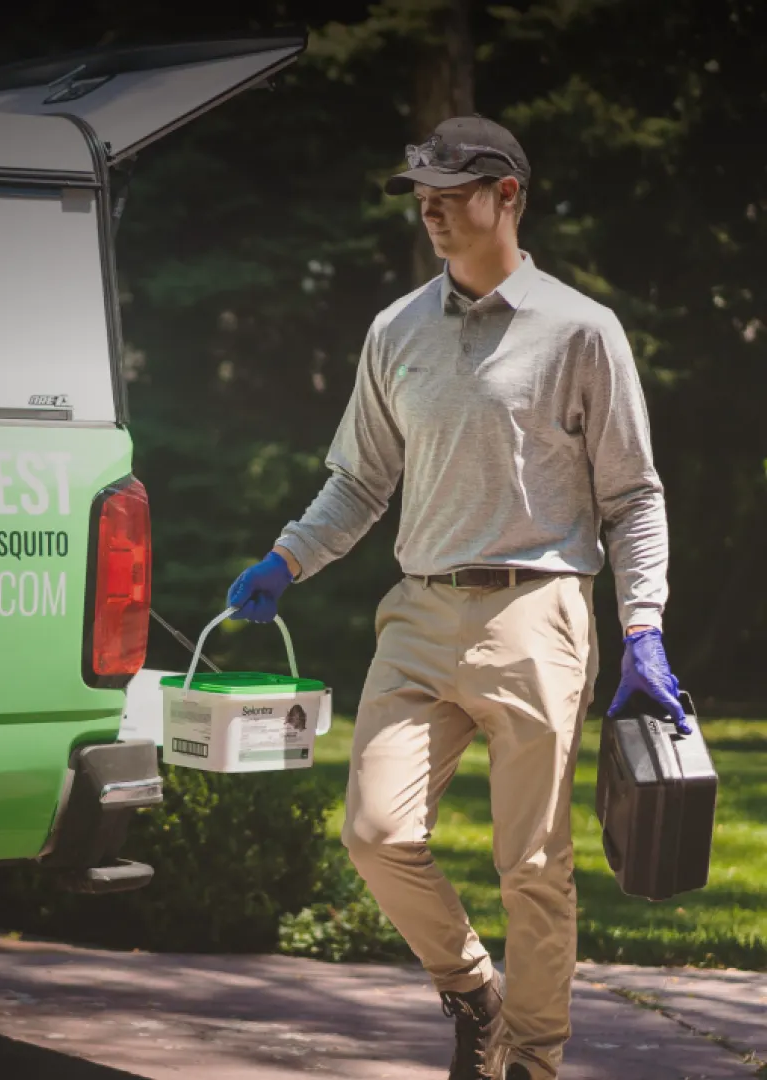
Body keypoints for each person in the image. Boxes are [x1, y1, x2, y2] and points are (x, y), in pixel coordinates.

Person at [224, 116, 686, 1080]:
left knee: (532, 869)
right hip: (420, 612)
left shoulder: (582, 330)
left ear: (508, 195)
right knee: (375, 832)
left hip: (539, 612)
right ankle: (475, 991)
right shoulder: (394, 331)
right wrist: (288, 558)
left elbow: (634, 496)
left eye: (451, 192)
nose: (430, 209)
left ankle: (533, 1061)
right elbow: (359, 481)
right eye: (421, 194)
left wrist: (642, 626)